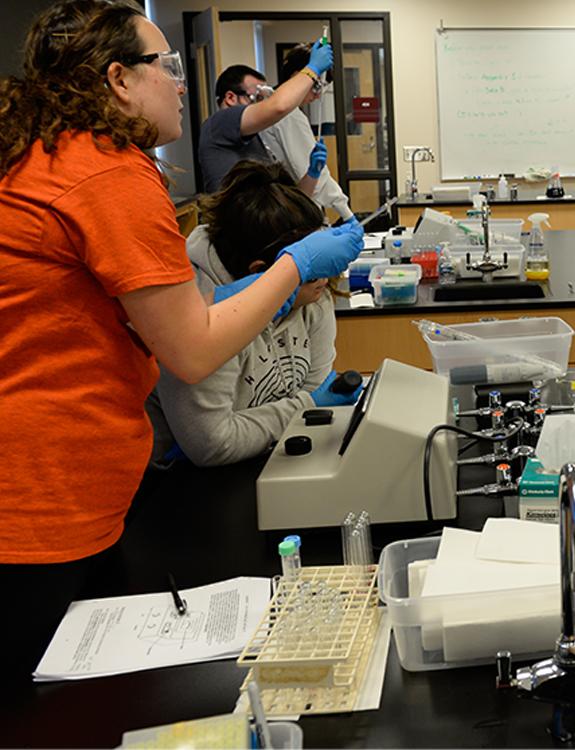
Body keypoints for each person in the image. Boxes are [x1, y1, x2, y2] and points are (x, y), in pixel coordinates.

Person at [0, 0, 363, 679]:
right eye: (163, 65)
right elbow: (193, 350)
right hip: (40, 499)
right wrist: (296, 265)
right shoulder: (106, 170)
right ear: (116, 80)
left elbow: (124, 314)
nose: (177, 81)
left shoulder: (52, 157)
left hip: (61, 489)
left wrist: (234, 295)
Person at [147, 160, 362, 467]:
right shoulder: (202, 320)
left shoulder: (312, 296)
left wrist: (269, 422)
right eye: (312, 271)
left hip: (266, 463)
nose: (324, 283)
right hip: (179, 484)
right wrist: (306, 406)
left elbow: (314, 396)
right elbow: (213, 444)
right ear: (261, 273)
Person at [198, 48, 332, 193]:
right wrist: (313, 69)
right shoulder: (219, 123)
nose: (262, 105)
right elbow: (278, 107)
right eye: (258, 98)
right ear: (230, 98)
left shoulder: (255, 139)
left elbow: (290, 201)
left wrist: (312, 174)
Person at [260, 43, 354, 223]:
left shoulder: (268, 107)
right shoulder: (289, 116)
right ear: (299, 76)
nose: (318, 95)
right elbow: (315, 177)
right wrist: (346, 213)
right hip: (291, 211)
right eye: (317, 86)